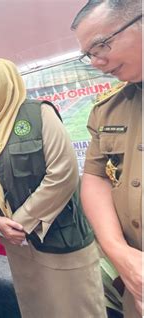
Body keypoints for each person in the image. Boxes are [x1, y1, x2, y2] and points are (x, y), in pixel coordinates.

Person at [0, 58, 106, 317]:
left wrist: (19, 222)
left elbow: (63, 174)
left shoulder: (39, 114)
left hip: (61, 237)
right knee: (35, 306)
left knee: (76, 309)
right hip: (17, 243)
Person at [71, 1, 142, 316]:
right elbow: (96, 176)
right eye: (89, 54)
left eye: (101, 45)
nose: (97, 61)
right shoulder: (106, 110)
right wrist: (120, 253)